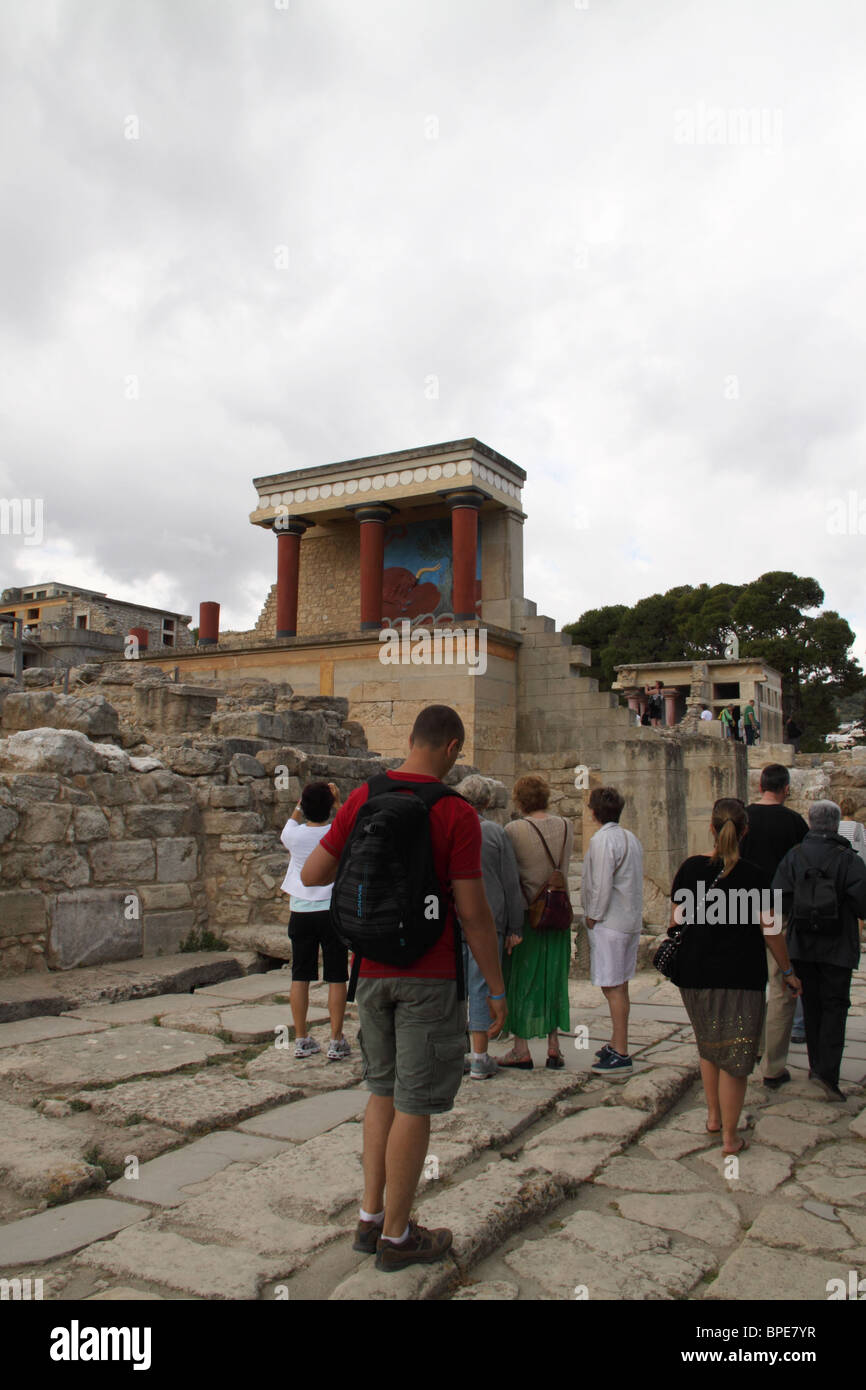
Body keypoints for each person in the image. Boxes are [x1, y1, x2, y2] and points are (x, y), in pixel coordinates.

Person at [300, 705, 506, 1272]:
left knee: (381, 1092)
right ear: (453, 747)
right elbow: (473, 911)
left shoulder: (364, 796)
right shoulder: (455, 811)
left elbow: (313, 875)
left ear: (412, 740)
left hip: (370, 971)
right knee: (415, 1103)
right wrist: (495, 985)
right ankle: (397, 1237)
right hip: (429, 975)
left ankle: (370, 1218)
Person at [669, 798, 801, 1154]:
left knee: (709, 1047)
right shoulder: (757, 876)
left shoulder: (690, 869)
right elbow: (771, 931)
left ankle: (713, 1117)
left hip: (696, 974)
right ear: (745, 831)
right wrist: (787, 971)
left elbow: (675, 922)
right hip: (741, 976)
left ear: (711, 829)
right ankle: (730, 1136)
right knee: (737, 1057)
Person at [773, 800, 866, 1101]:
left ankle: (815, 1067)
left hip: (802, 945)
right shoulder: (848, 859)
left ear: (811, 823)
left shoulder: (794, 856)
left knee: (811, 1006)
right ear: (836, 824)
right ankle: (828, 1073)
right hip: (838, 946)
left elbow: (779, 898)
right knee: (835, 1008)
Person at [497, 775, 574, 1069]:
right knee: (554, 978)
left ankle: (521, 1048)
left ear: (519, 799)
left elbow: (511, 876)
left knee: (522, 979)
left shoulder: (514, 829)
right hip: (559, 912)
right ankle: (554, 1047)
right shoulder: (567, 825)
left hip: (529, 914)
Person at [741, 764, 809, 1080]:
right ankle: (773, 1065)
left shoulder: (744, 819)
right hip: (779, 910)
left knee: (750, 984)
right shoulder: (795, 823)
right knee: (782, 985)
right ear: (786, 788)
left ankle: (749, 1048)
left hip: (741, 910)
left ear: (760, 785)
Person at [456, 776, 525, 1080]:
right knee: (481, 985)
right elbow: (511, 883)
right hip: (489, 921)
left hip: (454, 920)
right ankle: (480, 1057)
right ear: (485, 802)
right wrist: (515, 926)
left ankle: (457, 1053)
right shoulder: (495, 833)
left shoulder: (451, 831)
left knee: (456, 989)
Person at [280, 781, 350, 1060]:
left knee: (300, 975)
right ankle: (335, 1039)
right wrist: (338, 802)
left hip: (301, 910)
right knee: (336, 976)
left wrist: (301, 804)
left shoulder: (292, 835)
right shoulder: (336, 832)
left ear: (304, 806)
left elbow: (293, 820)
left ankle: (300, 1038)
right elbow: (351, 823)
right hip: (331, 910)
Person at [581, 786, 643, 1077]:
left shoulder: (602, 840)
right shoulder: (630, 838)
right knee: (620, 985)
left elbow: (602, 882)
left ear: (594, 812)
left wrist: (593, 915)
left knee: (613, 987)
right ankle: (617, 1042)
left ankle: (621, 1051)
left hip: (611, 922)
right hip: (628, 920)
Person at [838, 796, 866, 868]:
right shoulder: (859, 826)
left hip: (840, 862)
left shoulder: (836, 826)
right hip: (854, 864)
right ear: (855, 809)